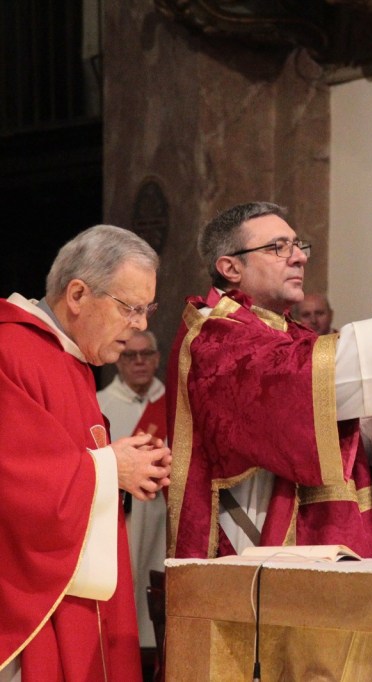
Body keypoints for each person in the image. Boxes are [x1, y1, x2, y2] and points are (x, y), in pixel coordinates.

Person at [167, 202, 372, 560]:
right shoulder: (213, 337)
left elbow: (327, 415)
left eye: (298, 245)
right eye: (278, 247)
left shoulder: (291, 335)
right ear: (230, 267)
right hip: (250, 554)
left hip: (329, 544)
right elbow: (294, 384)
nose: (298, 257)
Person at [0, 225, 171, 681]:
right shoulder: (10, 350)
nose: (141, 325)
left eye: (146, 309)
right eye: (131, 308)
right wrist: (112, 467)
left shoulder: (68, 358)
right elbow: (14, 479)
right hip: (30, 610)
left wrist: (129, 468)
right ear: (77, 294)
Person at [96, 330, 168, 651]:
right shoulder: (100, 403)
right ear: (118, 361)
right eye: (130, 355)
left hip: (163, 518)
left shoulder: (176, 402)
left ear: (157, 358)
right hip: (119, 521)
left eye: (146, 354)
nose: (139, 362)